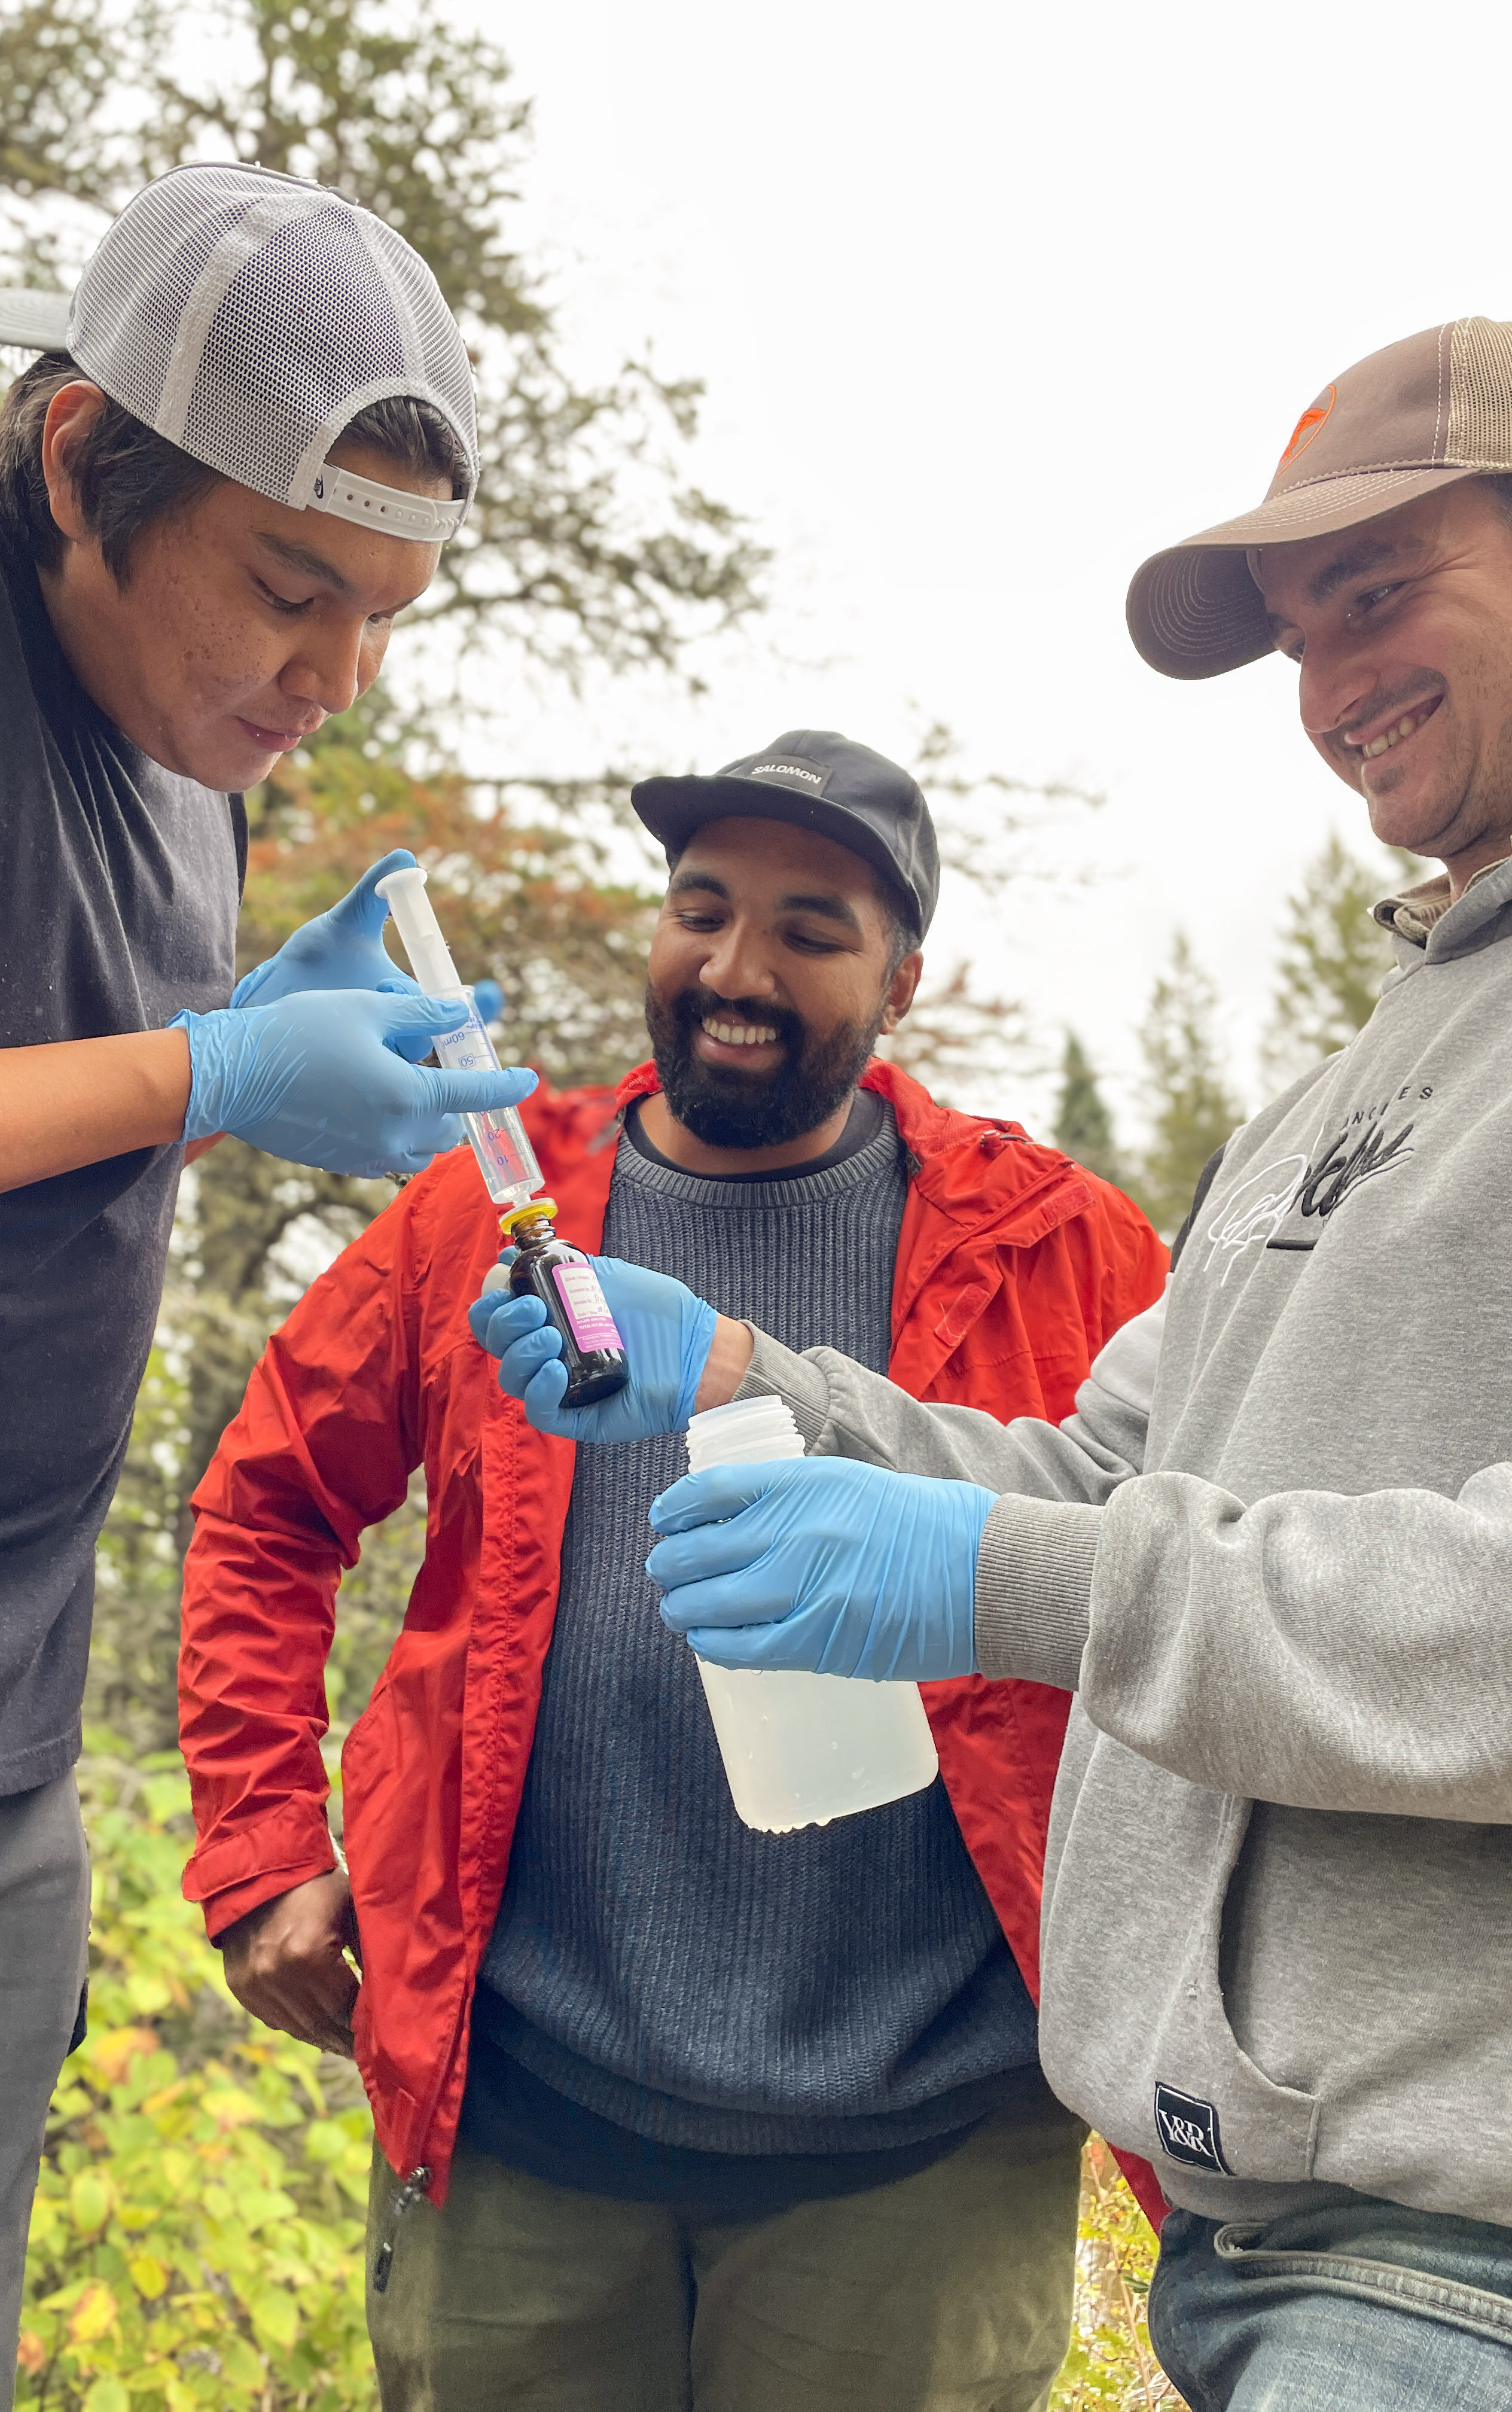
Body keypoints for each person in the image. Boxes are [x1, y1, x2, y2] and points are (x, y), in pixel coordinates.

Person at [562, 324, 1512, 2410]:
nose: (1332, 686)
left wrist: (991, 1590)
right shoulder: (1341, 1093)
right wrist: (749, 1375)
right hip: (1280, 2257)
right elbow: (1099, 1471)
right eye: (1293, 636)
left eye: (1380, 591)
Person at [0, 162, 534, 2411]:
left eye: (384, 613)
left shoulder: (187, 774)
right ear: (80, 458)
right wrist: (205, 1063)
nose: (333, 678)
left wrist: (238, 1042)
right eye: (289, 586)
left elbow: (7, 1094)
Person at [179, 730, 1167, 2412]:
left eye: (809, 928)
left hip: (921, 2153)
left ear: (904, 981)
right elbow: (267, 1507)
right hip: (522, 2132)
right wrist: (263, 1844)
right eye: (700, 909)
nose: (735, 968)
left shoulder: (1057, 1246)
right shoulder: (488, 1216)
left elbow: (1174, 1574)